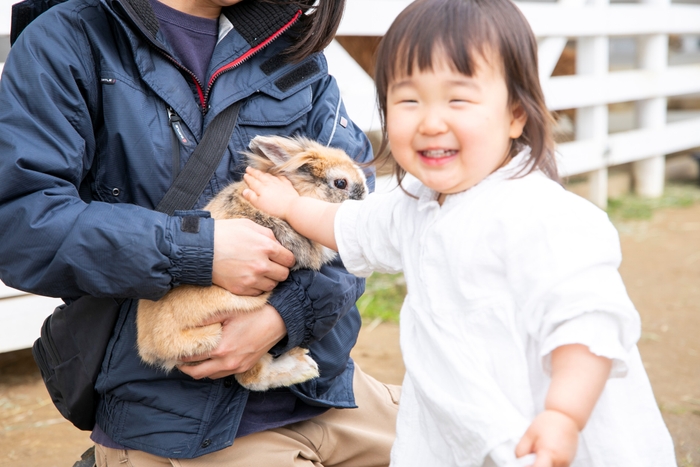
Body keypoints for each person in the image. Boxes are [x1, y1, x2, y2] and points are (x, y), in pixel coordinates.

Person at [240, 0, 678, 466]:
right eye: (408, 100)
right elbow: (346, 226)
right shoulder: (415, 210)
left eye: (459, 99)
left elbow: (586, 325)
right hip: (460, 433)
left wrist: (563, 415)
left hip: (546, 436)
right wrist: (289, 204)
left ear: (516, 114)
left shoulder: (547, 218)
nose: (430, 122)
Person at [0, 0, 399, 465]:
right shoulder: (72, 36)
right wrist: (198, 249)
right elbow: (22, 222)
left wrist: (284, 317)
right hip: (178, 418)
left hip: (323, 387)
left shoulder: (291, 43)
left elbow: (358, 223)